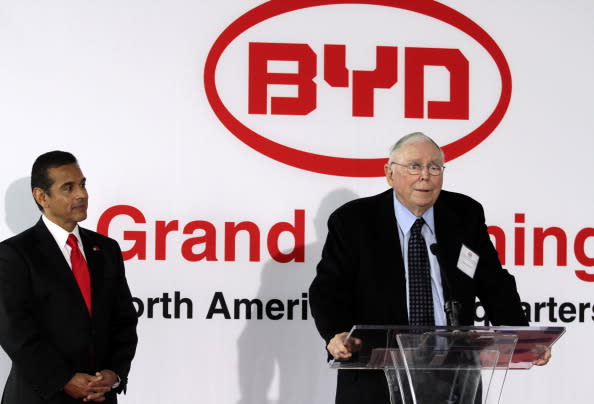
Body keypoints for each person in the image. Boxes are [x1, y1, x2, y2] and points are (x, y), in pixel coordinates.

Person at [309, 133, 550, 404]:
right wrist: (336, 333)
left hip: (453, 378)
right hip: (376, 377)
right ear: (389, 174)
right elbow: (328, 289)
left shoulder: (464, 214)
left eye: (435, 167)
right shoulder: (354, 221)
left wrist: (521, 335)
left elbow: (493, 282)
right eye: (414, 166)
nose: (425, 175)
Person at [0, 151, 138, 403]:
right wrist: (63, 379)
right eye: (68, 187)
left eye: (83, 184)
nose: (82, 194)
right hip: (39, 396)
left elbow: (124, 321)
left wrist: (114, 374)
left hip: (100, 396)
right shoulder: (14, 254)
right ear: (42, 197)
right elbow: (14, 331)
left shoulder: (107, 250)